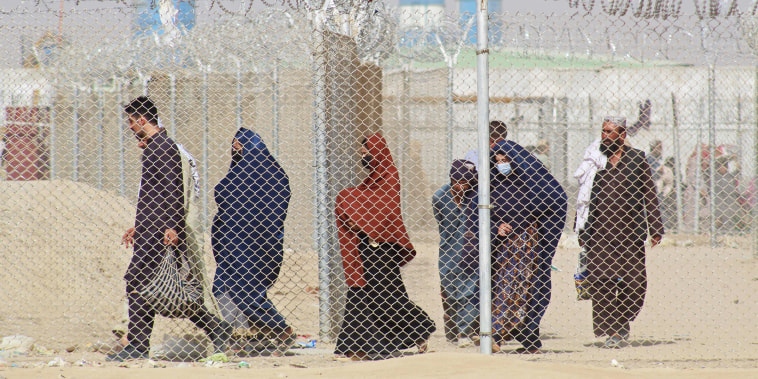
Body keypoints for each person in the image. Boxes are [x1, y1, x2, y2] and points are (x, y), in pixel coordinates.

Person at [110, 96, 231, 361]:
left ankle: (139, 346)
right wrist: (137, 227)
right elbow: (155, 195)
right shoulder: (155, 146)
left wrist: (172, 227)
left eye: (131, 121)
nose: (129, 127)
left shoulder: (162, 147)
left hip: (159, 233)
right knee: (157, 287)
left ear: (142, 119)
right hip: (151, 229)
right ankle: (218, 329)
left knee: (137, 283)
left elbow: (173, 189)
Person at [334, 133, 436, 360]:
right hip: (366, 245)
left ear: (377, 152)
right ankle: (354, 346)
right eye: (361, 154)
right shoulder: (369, 183)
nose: (363, 157)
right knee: (359, 293)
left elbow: (384, 212)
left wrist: (359, 217)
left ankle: (419, 327)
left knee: (385, 296)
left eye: (367, 152)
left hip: (382, 247)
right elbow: (362, 202)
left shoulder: (389, 177)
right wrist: (352, 209)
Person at [465, 140, 567, 353]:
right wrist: (495, 226)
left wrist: (525, 222)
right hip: (498, 247)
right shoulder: (492, 183)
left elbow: (554, 199)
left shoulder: (529, 183)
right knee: (502, 288)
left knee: (515, 289)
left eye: (506, 160)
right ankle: (515, 338)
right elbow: (477, 211)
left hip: (524, 245)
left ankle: (497, 335)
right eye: (498, 161)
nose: (502, 164)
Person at [580, 116, 664, 349]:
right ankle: (612, 331)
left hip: (630, 234)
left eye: (610, 132)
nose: (605, 136)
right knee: (601, 283)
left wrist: (655, 227)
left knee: (636, 284)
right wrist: (580, 227)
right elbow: (583, 196)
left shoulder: (637, 159)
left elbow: (649, 194)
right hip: (599, 233)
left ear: (622, 134)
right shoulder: (595, 159)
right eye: (603, 131)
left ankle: (621, 321)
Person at [211, 127, 295, 356]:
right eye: (233, 143)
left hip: (257, 244)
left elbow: (274, 207)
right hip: (231, 242)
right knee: (222, 288)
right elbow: (224, 194)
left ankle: (281, 329)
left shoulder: (271, 173)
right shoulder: (237, 173)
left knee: (247, 290)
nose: (235, 147)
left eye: (240, 142)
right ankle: (235, 337)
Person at [432, 159, 479, 348]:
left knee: (470, 288)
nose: (461, 186)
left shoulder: (476, 196)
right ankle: (452, 329)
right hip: (449, 248)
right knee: (449, 286)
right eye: (457, 182)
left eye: (466, 182)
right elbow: (441, 221)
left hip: (470, 248)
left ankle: (467, 331)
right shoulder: (440, 197)